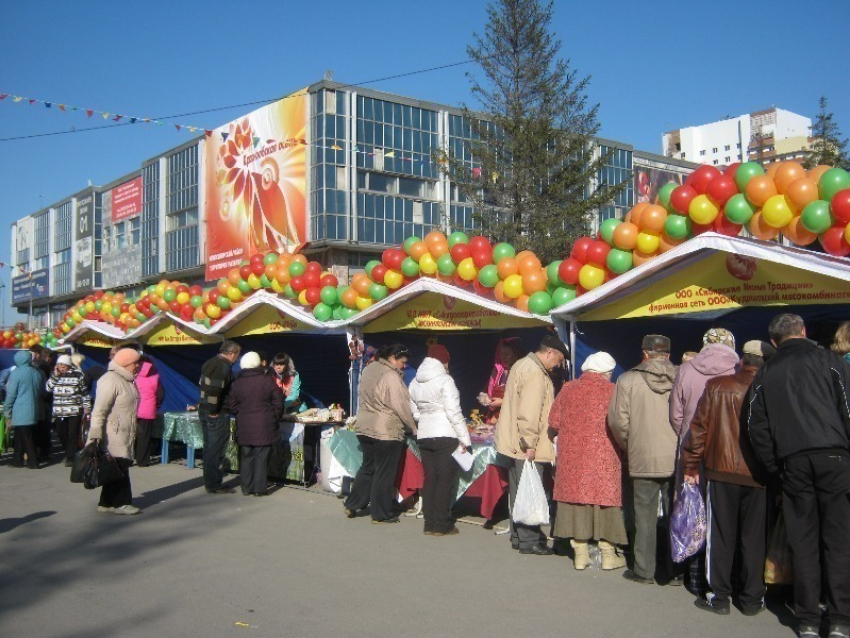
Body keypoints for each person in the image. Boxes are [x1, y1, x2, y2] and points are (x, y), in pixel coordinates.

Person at [749, 314, 850, 638]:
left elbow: (756, 426)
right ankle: (840, 619)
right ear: (803, 332)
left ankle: (806, 619)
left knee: (803, 541)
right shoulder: (829, 360)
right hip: (834, 455)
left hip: (793, 461)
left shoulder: (766, 373)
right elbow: (847, 406)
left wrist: (775, 466)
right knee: (838, 540)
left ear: (775, 341)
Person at [683, 340, 775, 616]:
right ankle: (751, 599)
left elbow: (698, 429)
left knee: (720, 535)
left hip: (721, 472)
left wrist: (690, 465)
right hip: (759, 475)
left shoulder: (718, 386)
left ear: (742, 361)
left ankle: (719, 597)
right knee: (755, 539)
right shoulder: (771, 389)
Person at [669, 328, 739, 594]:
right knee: (722, 516)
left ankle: (693, 576)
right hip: (726, 453)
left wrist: (688, 433)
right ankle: (722, 580)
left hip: (690, 452)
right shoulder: (737, 369)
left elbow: (675, 414)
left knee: (691, 513)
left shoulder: (686, 370)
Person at [608, 334, 679, 585]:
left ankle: (644, 569)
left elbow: (618, 422)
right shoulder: (682, 376)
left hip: (642, 456)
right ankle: (676, 571)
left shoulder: (627, 379)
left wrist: (630, 445)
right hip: (676, 457)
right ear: (668, 355)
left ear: (645, 354)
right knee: (677, 515)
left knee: (644, 515)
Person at [549, 351, 626, 571]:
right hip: (604, 454)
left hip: (573, 456)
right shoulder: (613, 391)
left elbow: (554, 421)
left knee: (576, 501)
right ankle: (608, 554)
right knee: (606, 503)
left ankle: (580, 554)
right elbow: (621, 423)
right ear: (605, 372)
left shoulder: (568, 389)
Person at [495, 334, 568, 555]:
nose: (558, 365)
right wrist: (530, 443)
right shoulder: (535, 373)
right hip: (526, 444)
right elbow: (529, 412)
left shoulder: (521, 365)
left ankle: (520, 536)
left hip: (514, 442)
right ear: (550, 353)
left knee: (519, 488)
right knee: (530, 489)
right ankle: (529, 539)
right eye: (559, 360)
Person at [344, 344, 417, 524]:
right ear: (393, 358)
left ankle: (352, 504)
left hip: (364, 426)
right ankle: (381, 513)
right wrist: (414, 427)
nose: (404, 365)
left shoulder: (369, 370)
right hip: (385, 430)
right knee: (384, 473)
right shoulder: (391, 376)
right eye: (403, 361)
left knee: (368, 468)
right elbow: (401, 405)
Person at [408, 343, 472, 537]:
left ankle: (429, 524)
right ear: (444, 361)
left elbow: (415, 412)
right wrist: (464, 438)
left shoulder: (415, 382)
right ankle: (442, 524)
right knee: (444, 481)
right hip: (445, 433)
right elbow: (454, 412)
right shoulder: (446, 380)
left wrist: (426, 419)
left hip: (425, 435)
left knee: (430, 479)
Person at [87, 348, 142, 515]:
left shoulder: (126, 380)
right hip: (113, 433)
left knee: (116, 468)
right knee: (120, 467)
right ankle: (122, 503)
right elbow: (99, 410)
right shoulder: (110, 380)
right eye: (135, 363)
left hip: (124, 431)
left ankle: (106, 503)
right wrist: (95, 433)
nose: (138, 366)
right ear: (126, 363)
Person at [230, 352, 284, 496]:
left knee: (246, 455)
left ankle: (246, 487)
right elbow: (278, 401)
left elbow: (232, 405)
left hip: (244, 424)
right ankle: (259, 489)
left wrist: (241, 414)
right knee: (261, 456)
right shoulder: (267, 380)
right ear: (258, 363)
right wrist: (274, 416)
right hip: (264, 425)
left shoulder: (238, 382)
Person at [198, 340, 241, 494]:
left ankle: (210, 481)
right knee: (216, 448)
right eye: (237, 355)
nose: (237, 358)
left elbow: (203, 385)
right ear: (231, 353)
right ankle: (214, 483)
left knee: (209, 447)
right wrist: (213, 410)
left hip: (203, 408)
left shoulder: (210, 362)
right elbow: (214, 391)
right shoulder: (222, 367)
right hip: (217, 412)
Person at [46, 354, 92, 467]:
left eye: (63, 365)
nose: (61, 367)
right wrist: (55, 376)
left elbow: (84, 392)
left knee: (73, 434)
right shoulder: (55, 374)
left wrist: (87, 407)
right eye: (59, 364)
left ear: (68, 365)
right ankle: (70, 451)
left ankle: (70, 458)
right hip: (59, 411)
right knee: (61, 433)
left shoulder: (77, 375)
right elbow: (48, 388)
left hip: (74, 410)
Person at [3, 351, 47, 469]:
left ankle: (33, 462)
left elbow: (11, 394)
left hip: (20, 409)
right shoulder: (37, 373)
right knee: (20, 436)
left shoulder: (16, 373)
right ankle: (17, 460)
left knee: (26, 437)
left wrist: (7, 409)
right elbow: (41, 391)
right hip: (34, 408)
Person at [479, 337, 524, 424]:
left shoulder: (521, 372)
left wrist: (502, 402)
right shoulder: (497, 371)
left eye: (507, 354)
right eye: (501, 354)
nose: (503, 358)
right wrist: (487, 400)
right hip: (494, 417)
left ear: (515, 354)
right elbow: (489, 392)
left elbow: (524, 400)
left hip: (511, 419)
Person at [134, 356, 164, 467]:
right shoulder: (155, 376)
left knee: (131, 435)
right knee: (144, 436)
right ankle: (142, 461)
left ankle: (129, 458)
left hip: (132, 408)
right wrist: (157, 405)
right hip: (148, 409)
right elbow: (160, 394)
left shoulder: (132, 375)